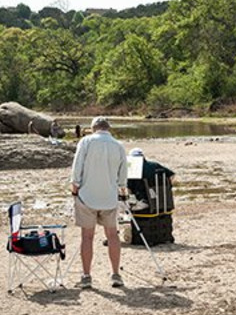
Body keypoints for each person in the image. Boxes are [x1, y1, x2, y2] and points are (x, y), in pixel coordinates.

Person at [70, 116, 128, 288]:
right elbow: (123, 174)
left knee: (87, 236)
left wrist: (75, 187)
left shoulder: (86, 141)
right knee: (112, 235)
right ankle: (116, 274)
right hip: (109, 197)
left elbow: (77, 166)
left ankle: (87, 276)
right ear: (108, 128)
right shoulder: (118, 145)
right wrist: (122, 191)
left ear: (93, 127)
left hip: (87, 196)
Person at [126, 147, 175, 212]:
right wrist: (167, 188)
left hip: (144, 202)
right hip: (162, 201)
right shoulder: (155, 165)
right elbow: (172, 175)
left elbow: (128, 188)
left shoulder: (133, 170)